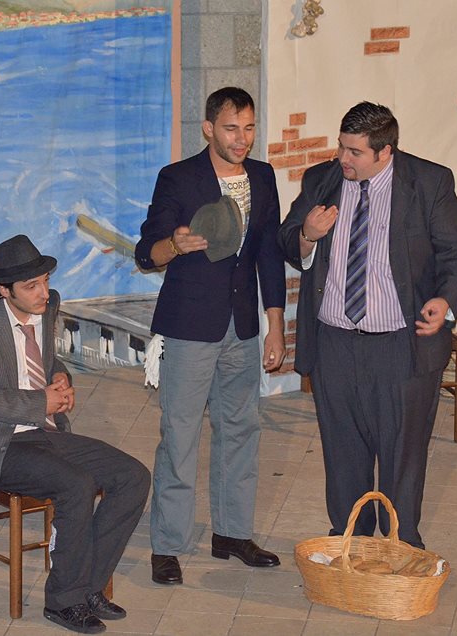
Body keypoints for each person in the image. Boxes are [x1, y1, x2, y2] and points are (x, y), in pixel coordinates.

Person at [277, 102, 457, 549]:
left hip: (400, 345)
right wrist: (307, 234)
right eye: (341, 147)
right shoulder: (322, 180)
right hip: (334, 343)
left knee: (402, 454)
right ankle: (351, 541)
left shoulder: (428, 183)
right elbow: (287, 239)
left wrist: (445, 300)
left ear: (385, 152)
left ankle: (401, 547)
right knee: (343, 451)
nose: (343, 159)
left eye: (355, 152)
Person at [0, 235, 151, 634]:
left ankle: (88, 587)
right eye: (31, 286)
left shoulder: (46, 306)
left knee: (133, 477)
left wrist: (60, 378)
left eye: (45, 281)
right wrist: (41, 402)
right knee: (76, 485)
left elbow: (46, 361)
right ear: (4, 290)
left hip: (43, 431)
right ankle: (63, 602)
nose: (44, 292)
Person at [134, 87, 286, 585]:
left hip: (242, 326)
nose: (242, 139)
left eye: (249, 128)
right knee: (180, 436)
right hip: (189, 326)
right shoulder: (178, 177)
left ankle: (233, 534)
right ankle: (168, 545)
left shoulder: (262, 176)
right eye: (231, 128)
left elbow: (268, 254)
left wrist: (275, 325)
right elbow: (146, 252)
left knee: (241, 430)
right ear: (208, 128)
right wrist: (174, 245)